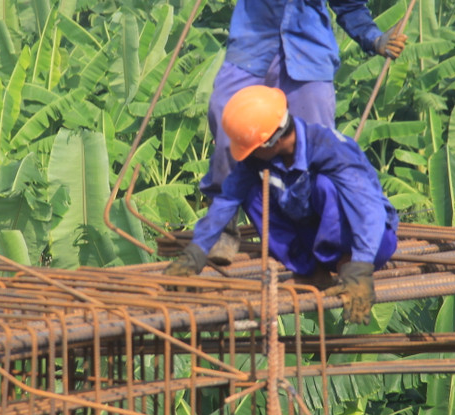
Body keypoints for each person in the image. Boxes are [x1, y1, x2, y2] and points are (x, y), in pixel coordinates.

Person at [200, 0, 407, 263]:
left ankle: (326, 230)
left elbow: (350, 8)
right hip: (252, 43)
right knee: (225, 116)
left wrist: (376, 39)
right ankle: (223, 229)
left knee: (316, 140)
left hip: (308, 55)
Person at [167, 85, 399, 324]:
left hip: (371, 243)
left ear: (271, 142)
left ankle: (349, 265)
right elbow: (227, 199)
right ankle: (311, 273)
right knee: (251, 193)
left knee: (323, 185)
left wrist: (360, 266)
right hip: (316, 246)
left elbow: (368, 210)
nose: (247, 155)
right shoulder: (256, 161)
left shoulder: (330, 148)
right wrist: (195, 253)